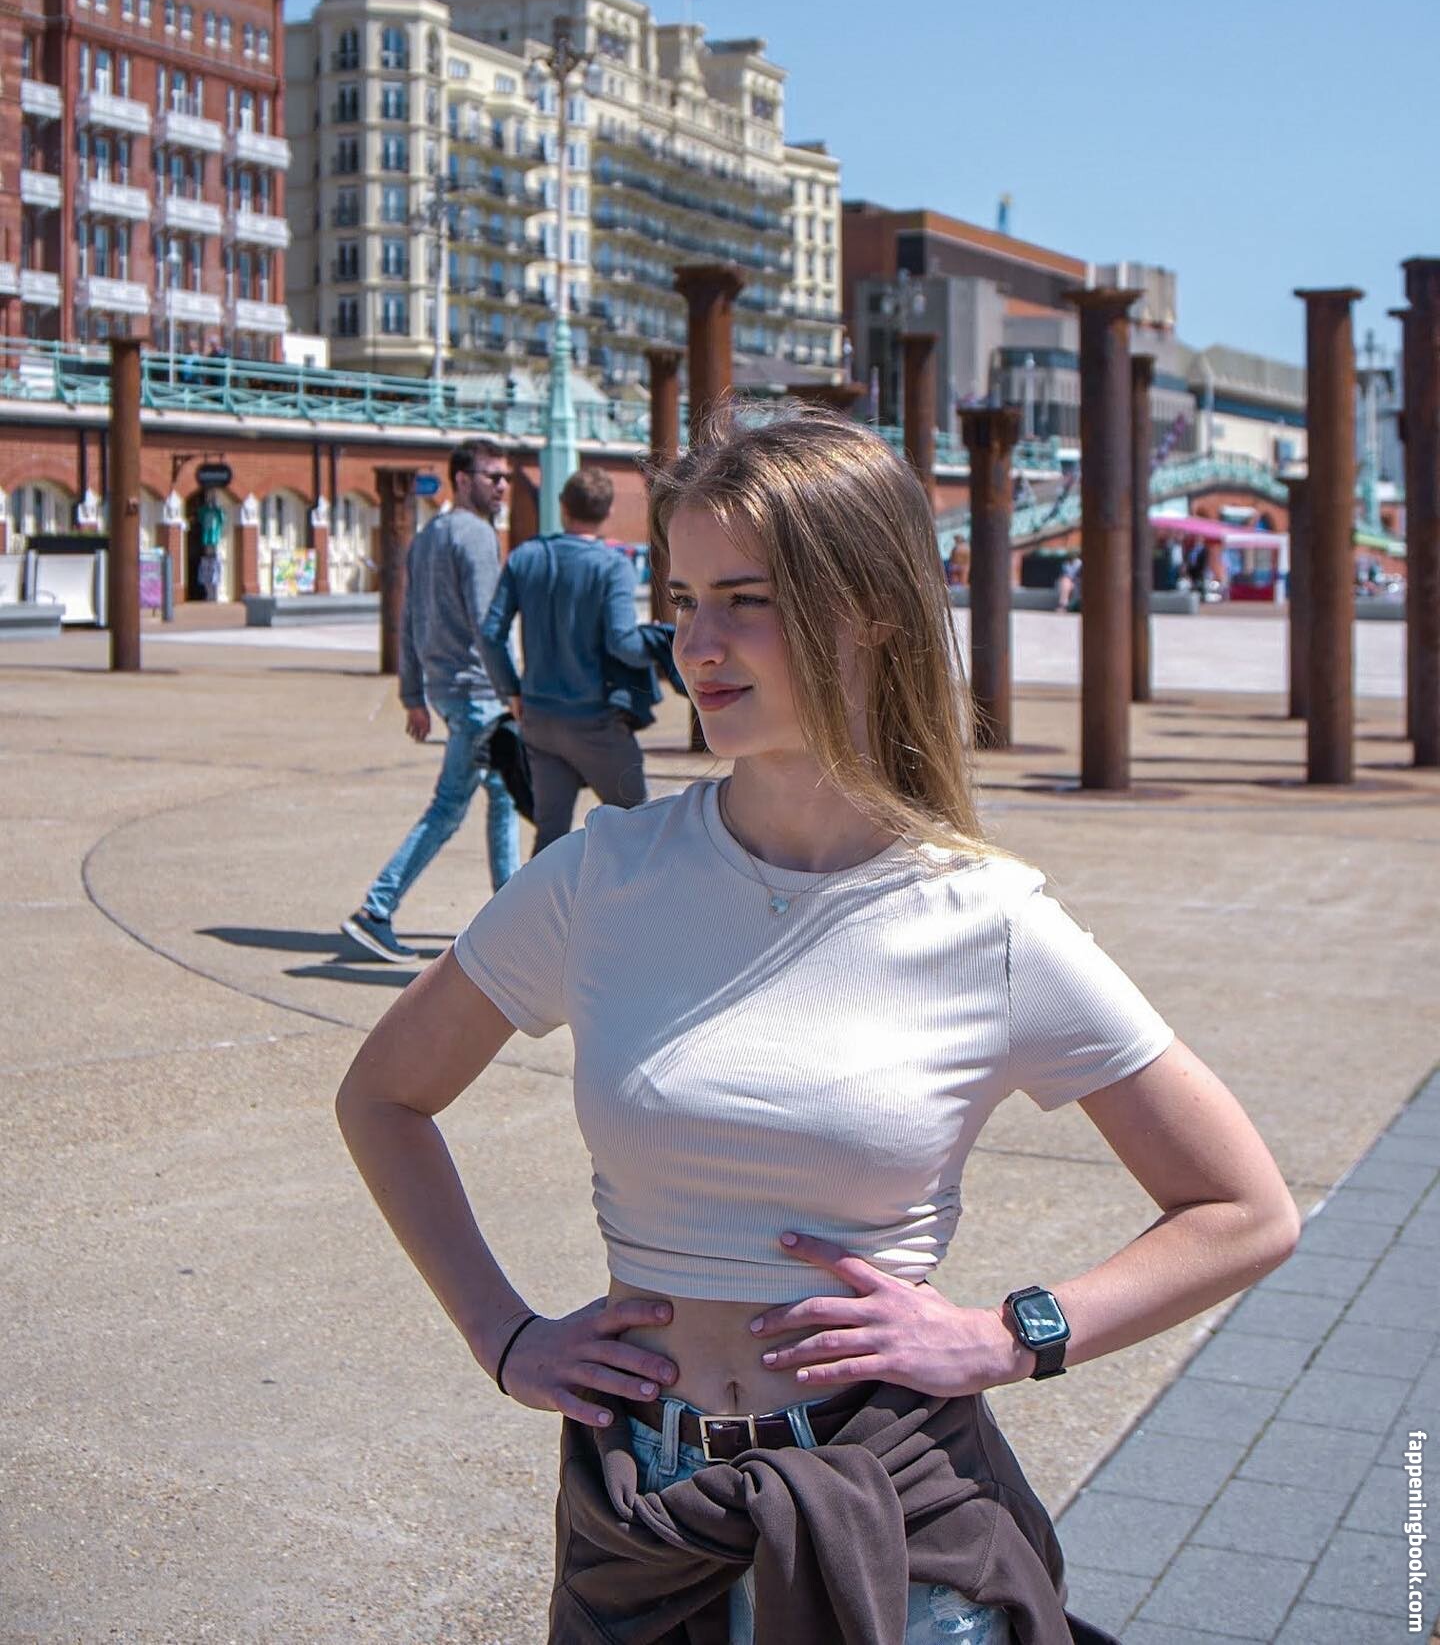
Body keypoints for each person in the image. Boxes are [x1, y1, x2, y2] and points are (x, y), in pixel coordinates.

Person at [336, 410, 1300, 1641]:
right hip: (646, 1522)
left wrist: (1009, 1335)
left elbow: (1244, 1209)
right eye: (683, 600)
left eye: (746, 599)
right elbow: (383, 1096)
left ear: (871, 611)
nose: (697, 643)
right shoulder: (603, 876)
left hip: (893, 1526)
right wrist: (503, 1331)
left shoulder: (986, 918)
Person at [341, 442, 519, 965]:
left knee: (503, 795)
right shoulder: (477, 536)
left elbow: (410, 621)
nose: (502, 486)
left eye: (506, 478)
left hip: (449, 690)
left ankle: (511, 920)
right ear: (462, 479)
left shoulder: (426, 538)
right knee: (449, 806)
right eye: (492, 477)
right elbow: (488, 626)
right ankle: (376, 909)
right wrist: (513, 691)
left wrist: (413, 696)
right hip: (479, 693)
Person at [480, 466, 655, 855]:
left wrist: (511, 690)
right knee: (640, 827)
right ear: (608, 512)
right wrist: (662, 645)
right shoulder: (613, 566)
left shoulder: (526, 557)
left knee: (550, 837)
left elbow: (491, 633)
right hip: (596, 721)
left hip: (539, 719)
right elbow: (623, 643)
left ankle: (542, 898)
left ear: (562, 507)